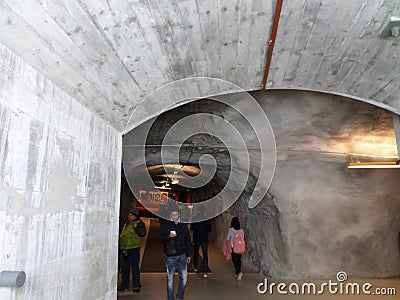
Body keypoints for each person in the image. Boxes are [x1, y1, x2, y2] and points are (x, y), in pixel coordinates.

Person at [158, 202, 192, 300]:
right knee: (170, 280)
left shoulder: (183, 225)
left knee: (184, 278)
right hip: (170, 255)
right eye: (172, 215)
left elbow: (188, 240)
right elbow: (159, 239)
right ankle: (171, 298)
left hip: (182, 254)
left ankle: (180, 297)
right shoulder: (165, 225)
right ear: (170, 215)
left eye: (176, 214)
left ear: (179, 214)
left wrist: (189, 254)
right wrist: (168, 236)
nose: (174, 217)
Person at [118, 209, 147, 294]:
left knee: (134, 268)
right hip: (124, 248)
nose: (129, 216)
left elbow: (142, 233)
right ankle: (124, 286)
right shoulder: (126, 223)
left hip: (133, 249)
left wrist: (137, 227)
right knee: (124, 269)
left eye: (131, 215)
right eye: (129, 215)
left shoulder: (139, 223)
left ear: (135, 216)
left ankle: (136, 285)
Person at [190, 206, 211, 278]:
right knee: (205, 254)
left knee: (196, 252)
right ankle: (205, 271)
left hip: (197, 237)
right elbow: (209, 229)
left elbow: (192, 228)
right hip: (204, 238)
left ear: (198, 210)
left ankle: (195, 266)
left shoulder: (195, 218)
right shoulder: (206, 219)